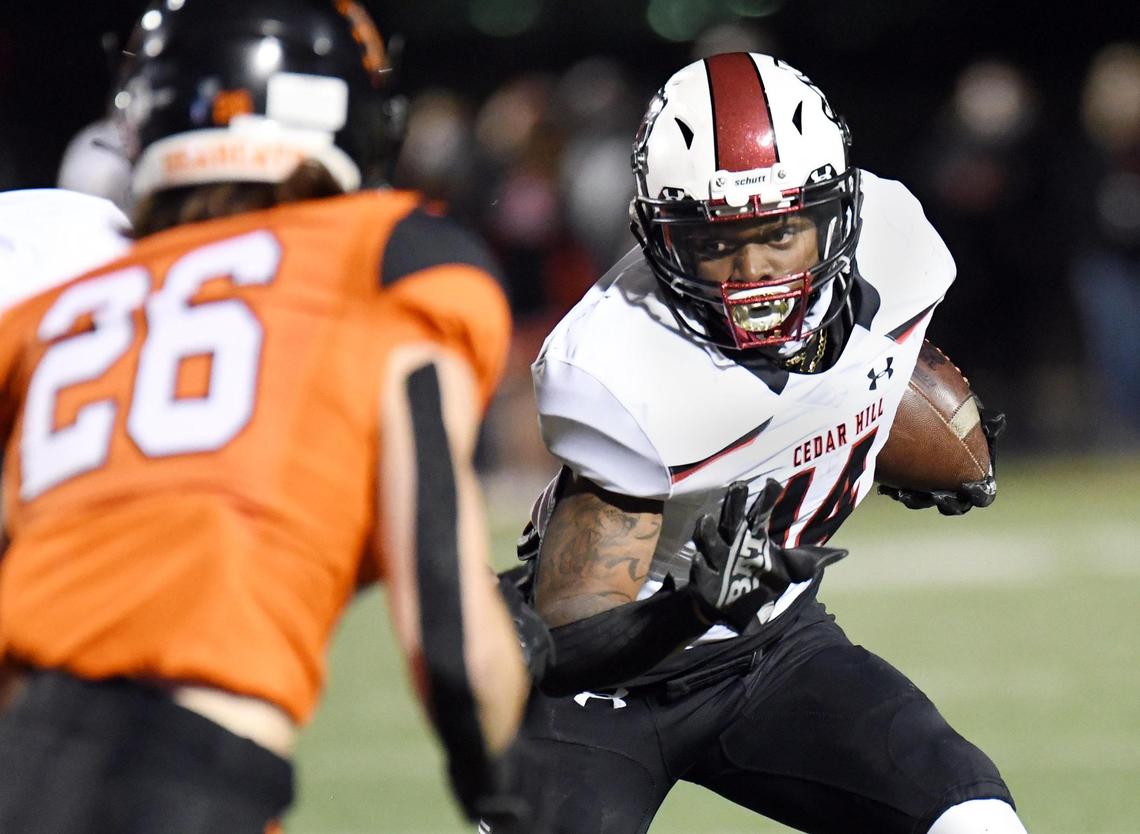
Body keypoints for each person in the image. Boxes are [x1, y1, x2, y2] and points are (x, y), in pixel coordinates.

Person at [0, 1, 540, 831]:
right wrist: (511, 796)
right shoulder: (393, 256)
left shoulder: (56, 311)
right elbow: (452, 642)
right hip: (187, 774)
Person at [486, 52, 1025, 834]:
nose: (752, 271)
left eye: (779, 232)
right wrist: (688, 611)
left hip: (775, 647)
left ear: (837, 213)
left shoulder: (898, 247)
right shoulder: (616, 365)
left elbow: (855, 373)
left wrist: (887, 432)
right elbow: (572, 636)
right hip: (598, 695)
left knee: (973, 820)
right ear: (659, 237)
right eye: (716, 242)